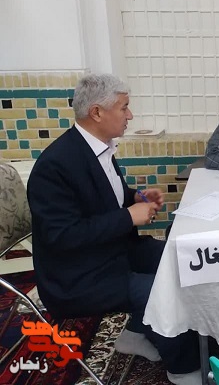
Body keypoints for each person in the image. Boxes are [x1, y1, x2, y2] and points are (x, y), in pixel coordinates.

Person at [27, 74, 200, 385]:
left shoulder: (98, 147)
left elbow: (102, 197)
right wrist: (128, 217)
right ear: (97, 112)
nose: (130, 115)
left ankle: (134, 333)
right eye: (124, 108)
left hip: (110, 251)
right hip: (78, 275)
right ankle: (184, 369)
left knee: (180, 258)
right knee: (161, 289)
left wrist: (135, 197)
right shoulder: (54, 166)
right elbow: (61, 236)